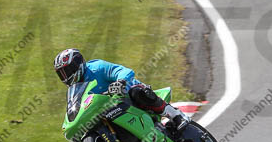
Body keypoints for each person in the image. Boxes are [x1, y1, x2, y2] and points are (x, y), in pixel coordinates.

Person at [54, 48, 189, 135]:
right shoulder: (75, 89)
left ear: (78, 64)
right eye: (61, 74)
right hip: (108, 110)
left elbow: (124, 71)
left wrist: (120, 82)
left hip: (127, 95)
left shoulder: (97, 67)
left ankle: (176, 116)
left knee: (136, 92)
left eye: (68, 71)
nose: (66, 77)